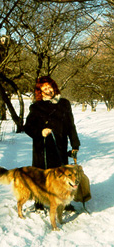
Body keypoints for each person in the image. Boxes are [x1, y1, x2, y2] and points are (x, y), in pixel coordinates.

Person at [24, 76, 80, 210]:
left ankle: (65, 201)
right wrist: (40, 132)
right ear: (40, 92)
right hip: (42, 147)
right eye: (44, 89)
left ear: (54, 87)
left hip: (60, 145)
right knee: (42, 176)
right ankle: (39, 201)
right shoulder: (36, 107)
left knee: (62, 175)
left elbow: (71, 125)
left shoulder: (64, 104)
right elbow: (27, 127)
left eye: (49, 87)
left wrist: (75, 145)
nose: (48, 90)